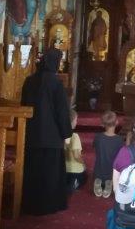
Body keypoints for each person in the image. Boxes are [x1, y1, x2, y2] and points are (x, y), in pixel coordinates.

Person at [21, 48, 72, 215]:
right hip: (52, 137)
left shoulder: (29, 81)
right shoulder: (56, 84)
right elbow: (61, 112)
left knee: (33, 171)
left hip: (31, 134)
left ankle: (31, 204)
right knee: (50, 173)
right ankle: (49, 204)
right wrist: (66, 133)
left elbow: (23, 106)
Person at [93, 111, 123, 198]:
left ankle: (98, 180)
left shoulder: (98, 137)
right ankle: (109, 182)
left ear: (102, 124)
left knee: (99, 165)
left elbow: (94, 148)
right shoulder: (119, 139)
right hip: (111, 170)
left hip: (99, 168)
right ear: (116, 122)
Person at [64, 109, 87, 192]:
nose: (76, 122)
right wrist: (83, 163)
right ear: (72, 122)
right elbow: (76, 156)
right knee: (85, 176)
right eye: (76, 120)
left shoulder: (60, 135)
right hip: (76, 171)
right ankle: (74, 184)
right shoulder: (75, 136)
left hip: (63, 169)